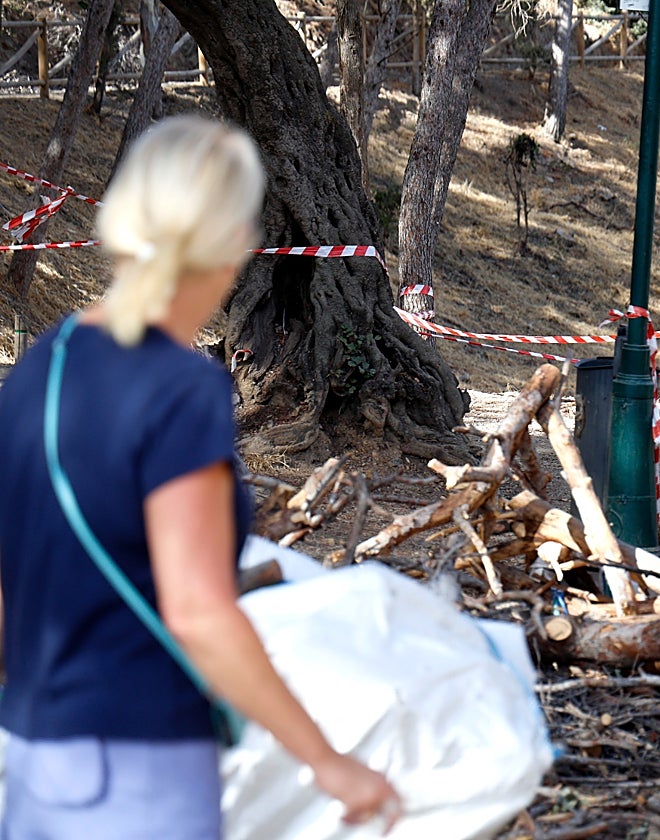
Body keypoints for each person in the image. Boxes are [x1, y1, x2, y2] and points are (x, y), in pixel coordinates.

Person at [0, 115, 403, 837]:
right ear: (232, 246)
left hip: (29, 766)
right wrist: (327, 760)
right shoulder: (180, 388)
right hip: (139, 774)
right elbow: (198, 612)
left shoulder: (38, 369)